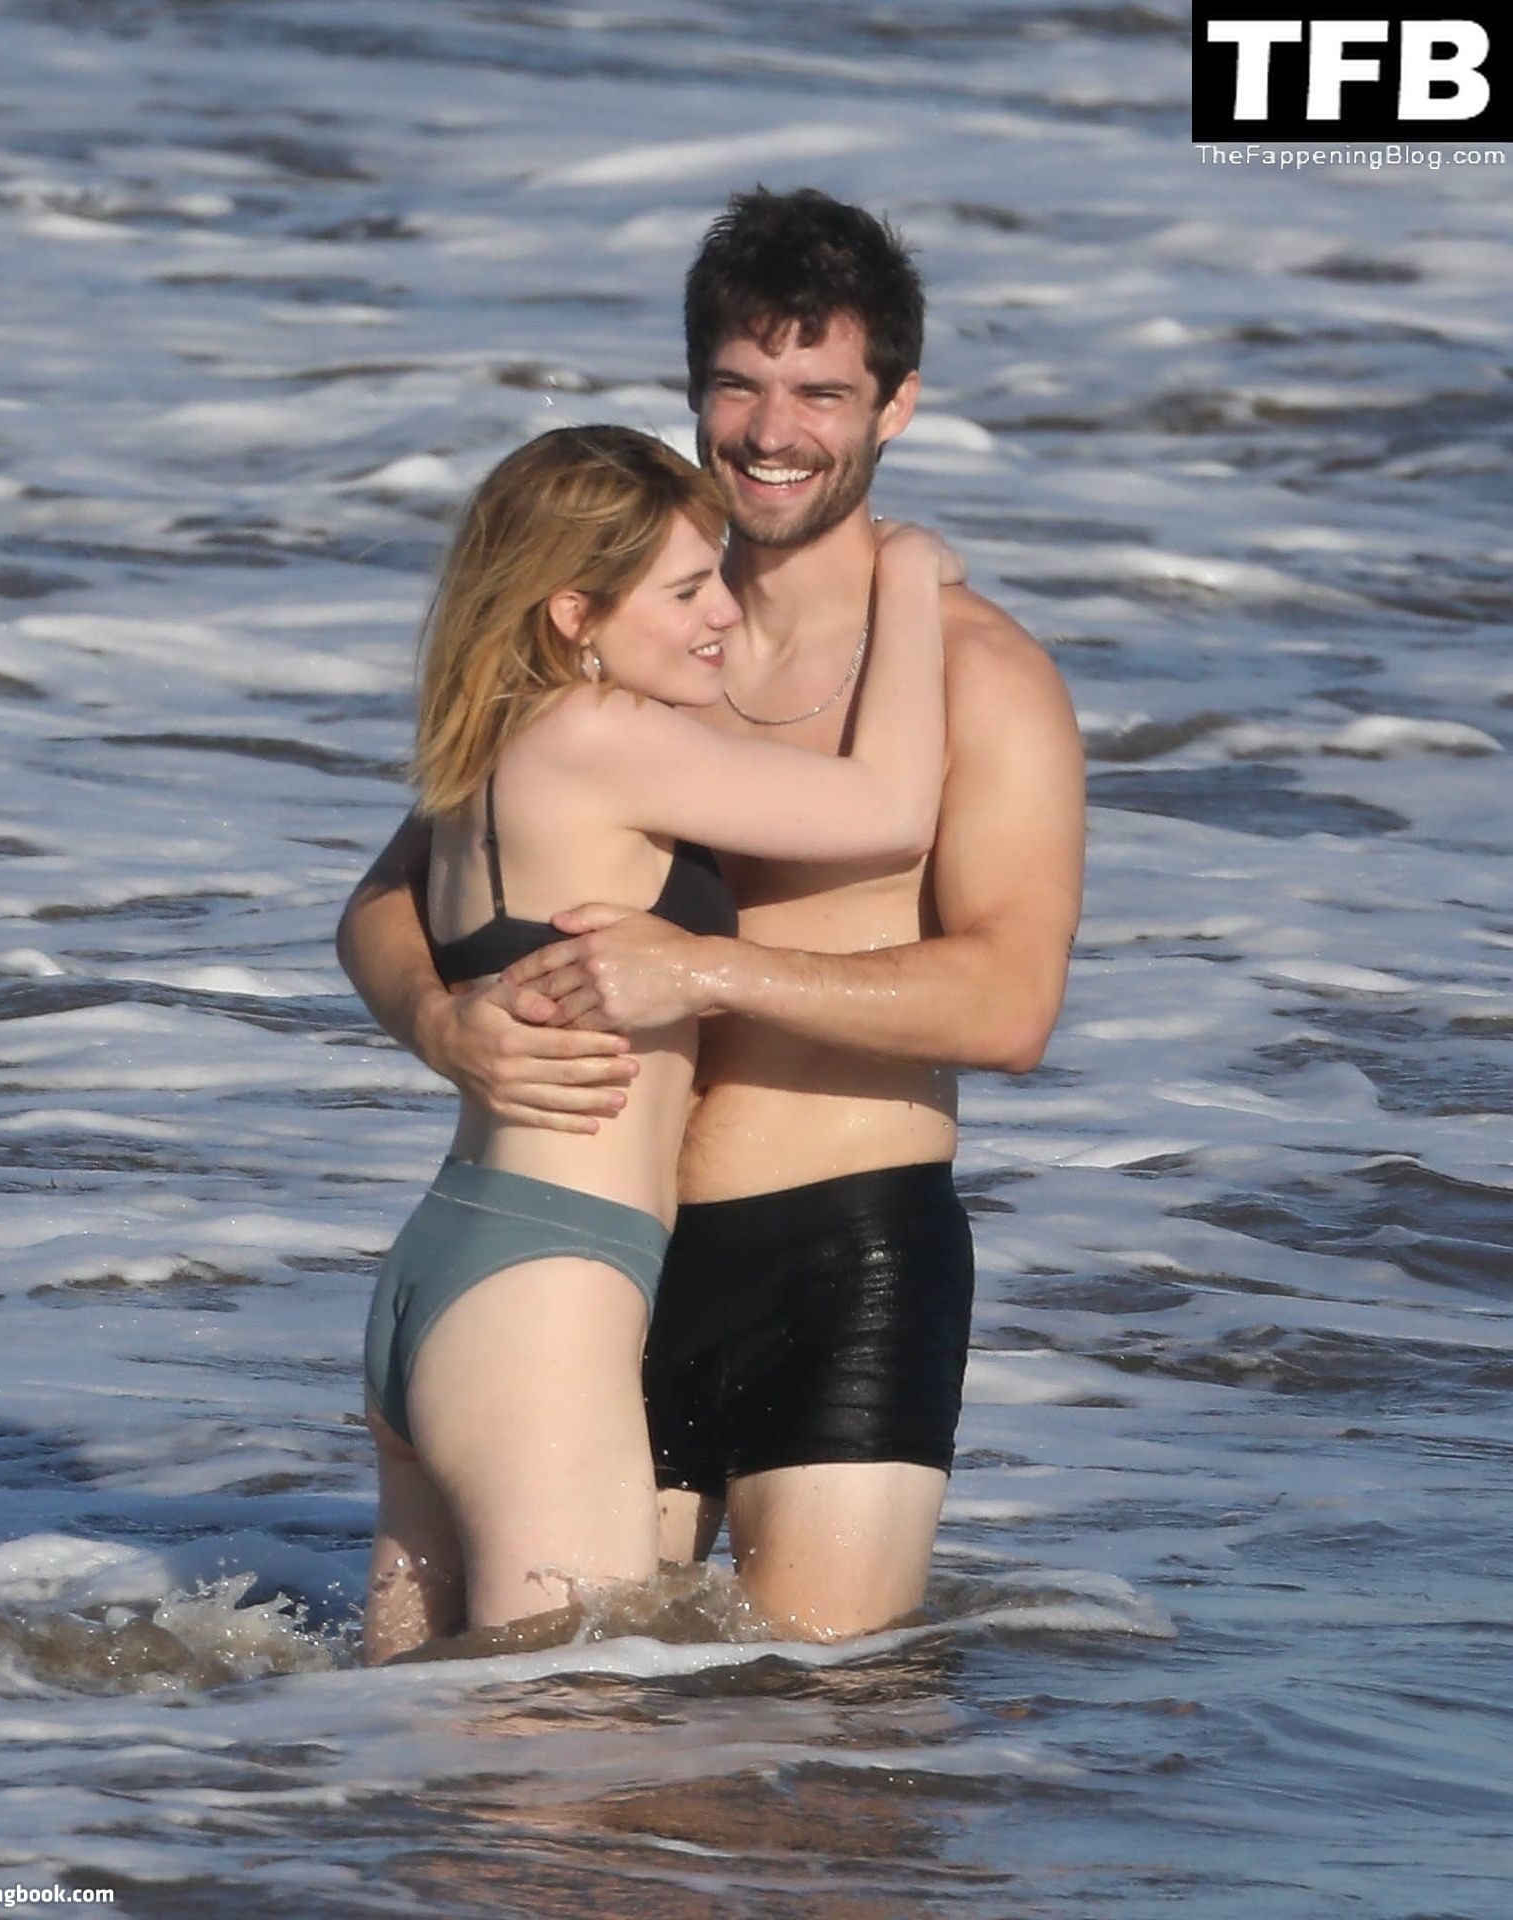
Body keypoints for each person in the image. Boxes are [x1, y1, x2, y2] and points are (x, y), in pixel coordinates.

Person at [339, 188, 1085, 1643]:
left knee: (819, 1726)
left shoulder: (978, 677)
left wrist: (709, 973)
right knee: (577, 1732)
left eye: (821, 392)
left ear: (896, 405)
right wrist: (438, 1019)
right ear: (694, 392)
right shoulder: (631, 633)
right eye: (739, 385)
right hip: (605, 1253)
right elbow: (390, 895)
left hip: (839, 1250)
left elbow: (1010, 1005)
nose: (771, 430)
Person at [355, 421, 949, 1662]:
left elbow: (366, 907)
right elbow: (891, 809)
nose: (719, 612)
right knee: (568, 1720)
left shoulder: (490, 743)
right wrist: (900, 573)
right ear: (572, 613)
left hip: (454, 1268)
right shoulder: (599, 733)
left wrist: (432, 1017)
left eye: (715, 578)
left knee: (407, 1723)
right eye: (682, 591)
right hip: (546, 1291)